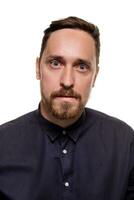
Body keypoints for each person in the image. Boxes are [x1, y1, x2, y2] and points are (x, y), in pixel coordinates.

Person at [0, 16, 134, 200]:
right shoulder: (3, 143)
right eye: (55, 63)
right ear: (38, 68)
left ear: (95, 76)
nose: (67, 81)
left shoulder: (124, 142)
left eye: (81, 66)